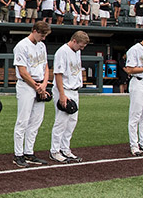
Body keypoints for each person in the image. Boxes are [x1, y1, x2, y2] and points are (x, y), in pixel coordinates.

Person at [12, 21, 52, 167]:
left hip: (40, 84)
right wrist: (37, 87)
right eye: (42, 35)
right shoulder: (22, 46)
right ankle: (18, 154)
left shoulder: (42, 45)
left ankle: (29, 152)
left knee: (36, 120)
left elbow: (46, 66)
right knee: (23, 120)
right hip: (26, 86)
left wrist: (44, 84)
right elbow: (22, 71)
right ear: (34, 30)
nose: (43, 38)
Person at [48, 30, 90, 163]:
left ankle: (65, 148)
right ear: (74, 41)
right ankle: (55, 151)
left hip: (74, 89)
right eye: (81, 45)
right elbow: (58, 74)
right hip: (64, 89)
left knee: (72, 121)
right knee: (61, 121)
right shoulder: (62, 51)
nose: (82, 48)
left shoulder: (77, 51)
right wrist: (62, 95)